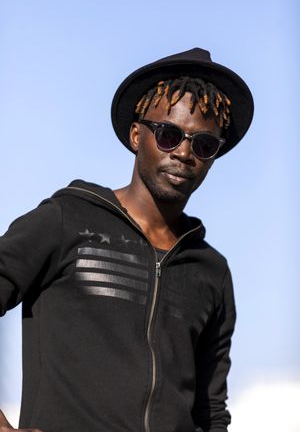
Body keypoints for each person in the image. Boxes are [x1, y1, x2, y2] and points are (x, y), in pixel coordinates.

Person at [0, 48, 254, 432]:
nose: (184, 153)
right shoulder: (68, 220)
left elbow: (210, 411)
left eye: (204, 145)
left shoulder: (211, 271)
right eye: (169, 135)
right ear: (138, 135)